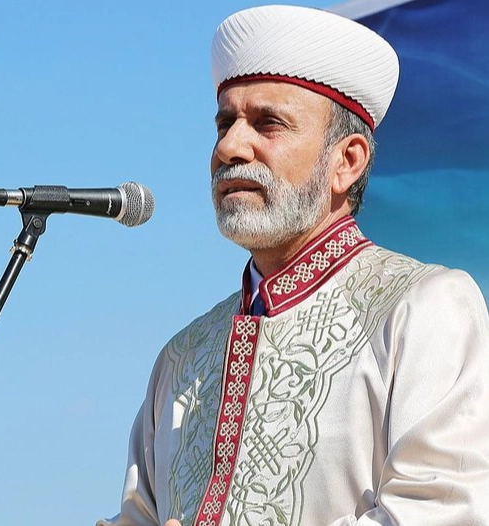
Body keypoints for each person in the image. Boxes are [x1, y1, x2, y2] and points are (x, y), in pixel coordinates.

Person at [98, 5, 489, 526]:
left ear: (346, 161)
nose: (229, 147)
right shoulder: (181, 358)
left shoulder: (425, 311)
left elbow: (443, 512)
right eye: (224, 123)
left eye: (268, 123)